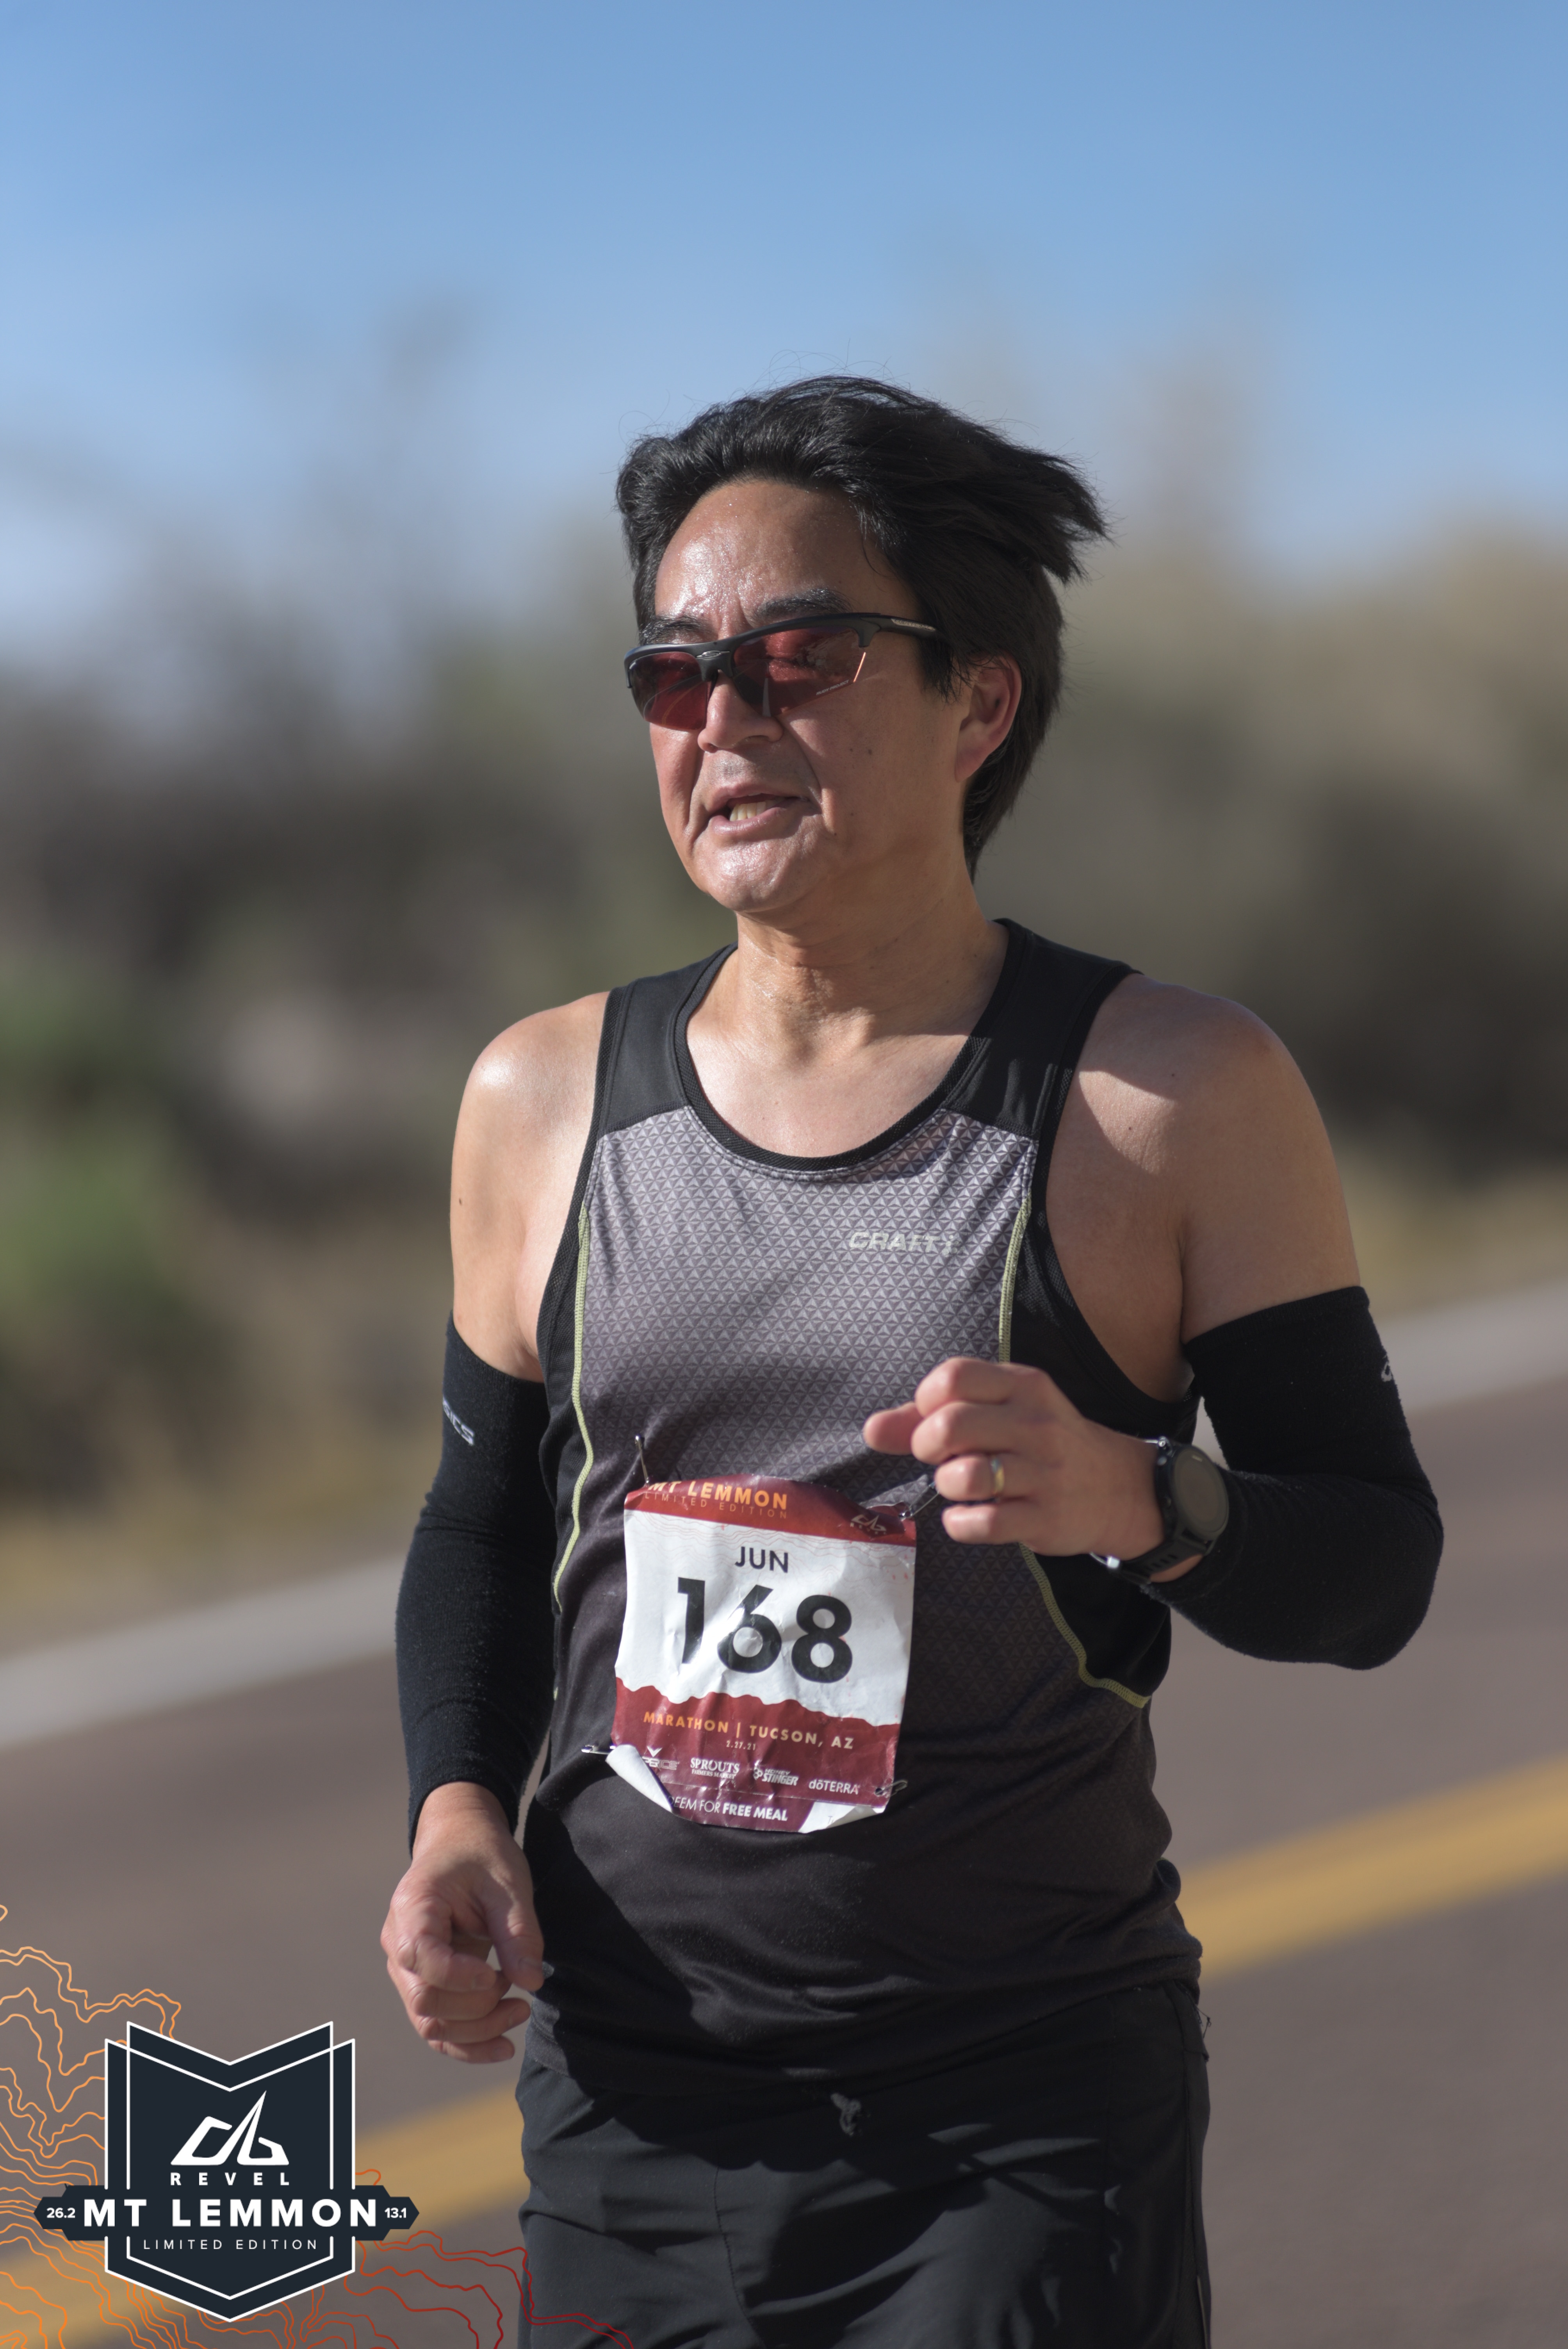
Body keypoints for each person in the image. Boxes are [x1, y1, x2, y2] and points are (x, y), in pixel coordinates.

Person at [381, 376, 1441, 2348]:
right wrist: (455, 1806)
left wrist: (1140, 1499)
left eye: (797, 657)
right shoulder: (540, 1099)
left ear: (979, 703)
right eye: (673, 672)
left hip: (1015, 2110)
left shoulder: (1165, 1095)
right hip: (630, 2097)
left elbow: (1375, 1567)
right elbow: (479, 1522)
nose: (723, 719)